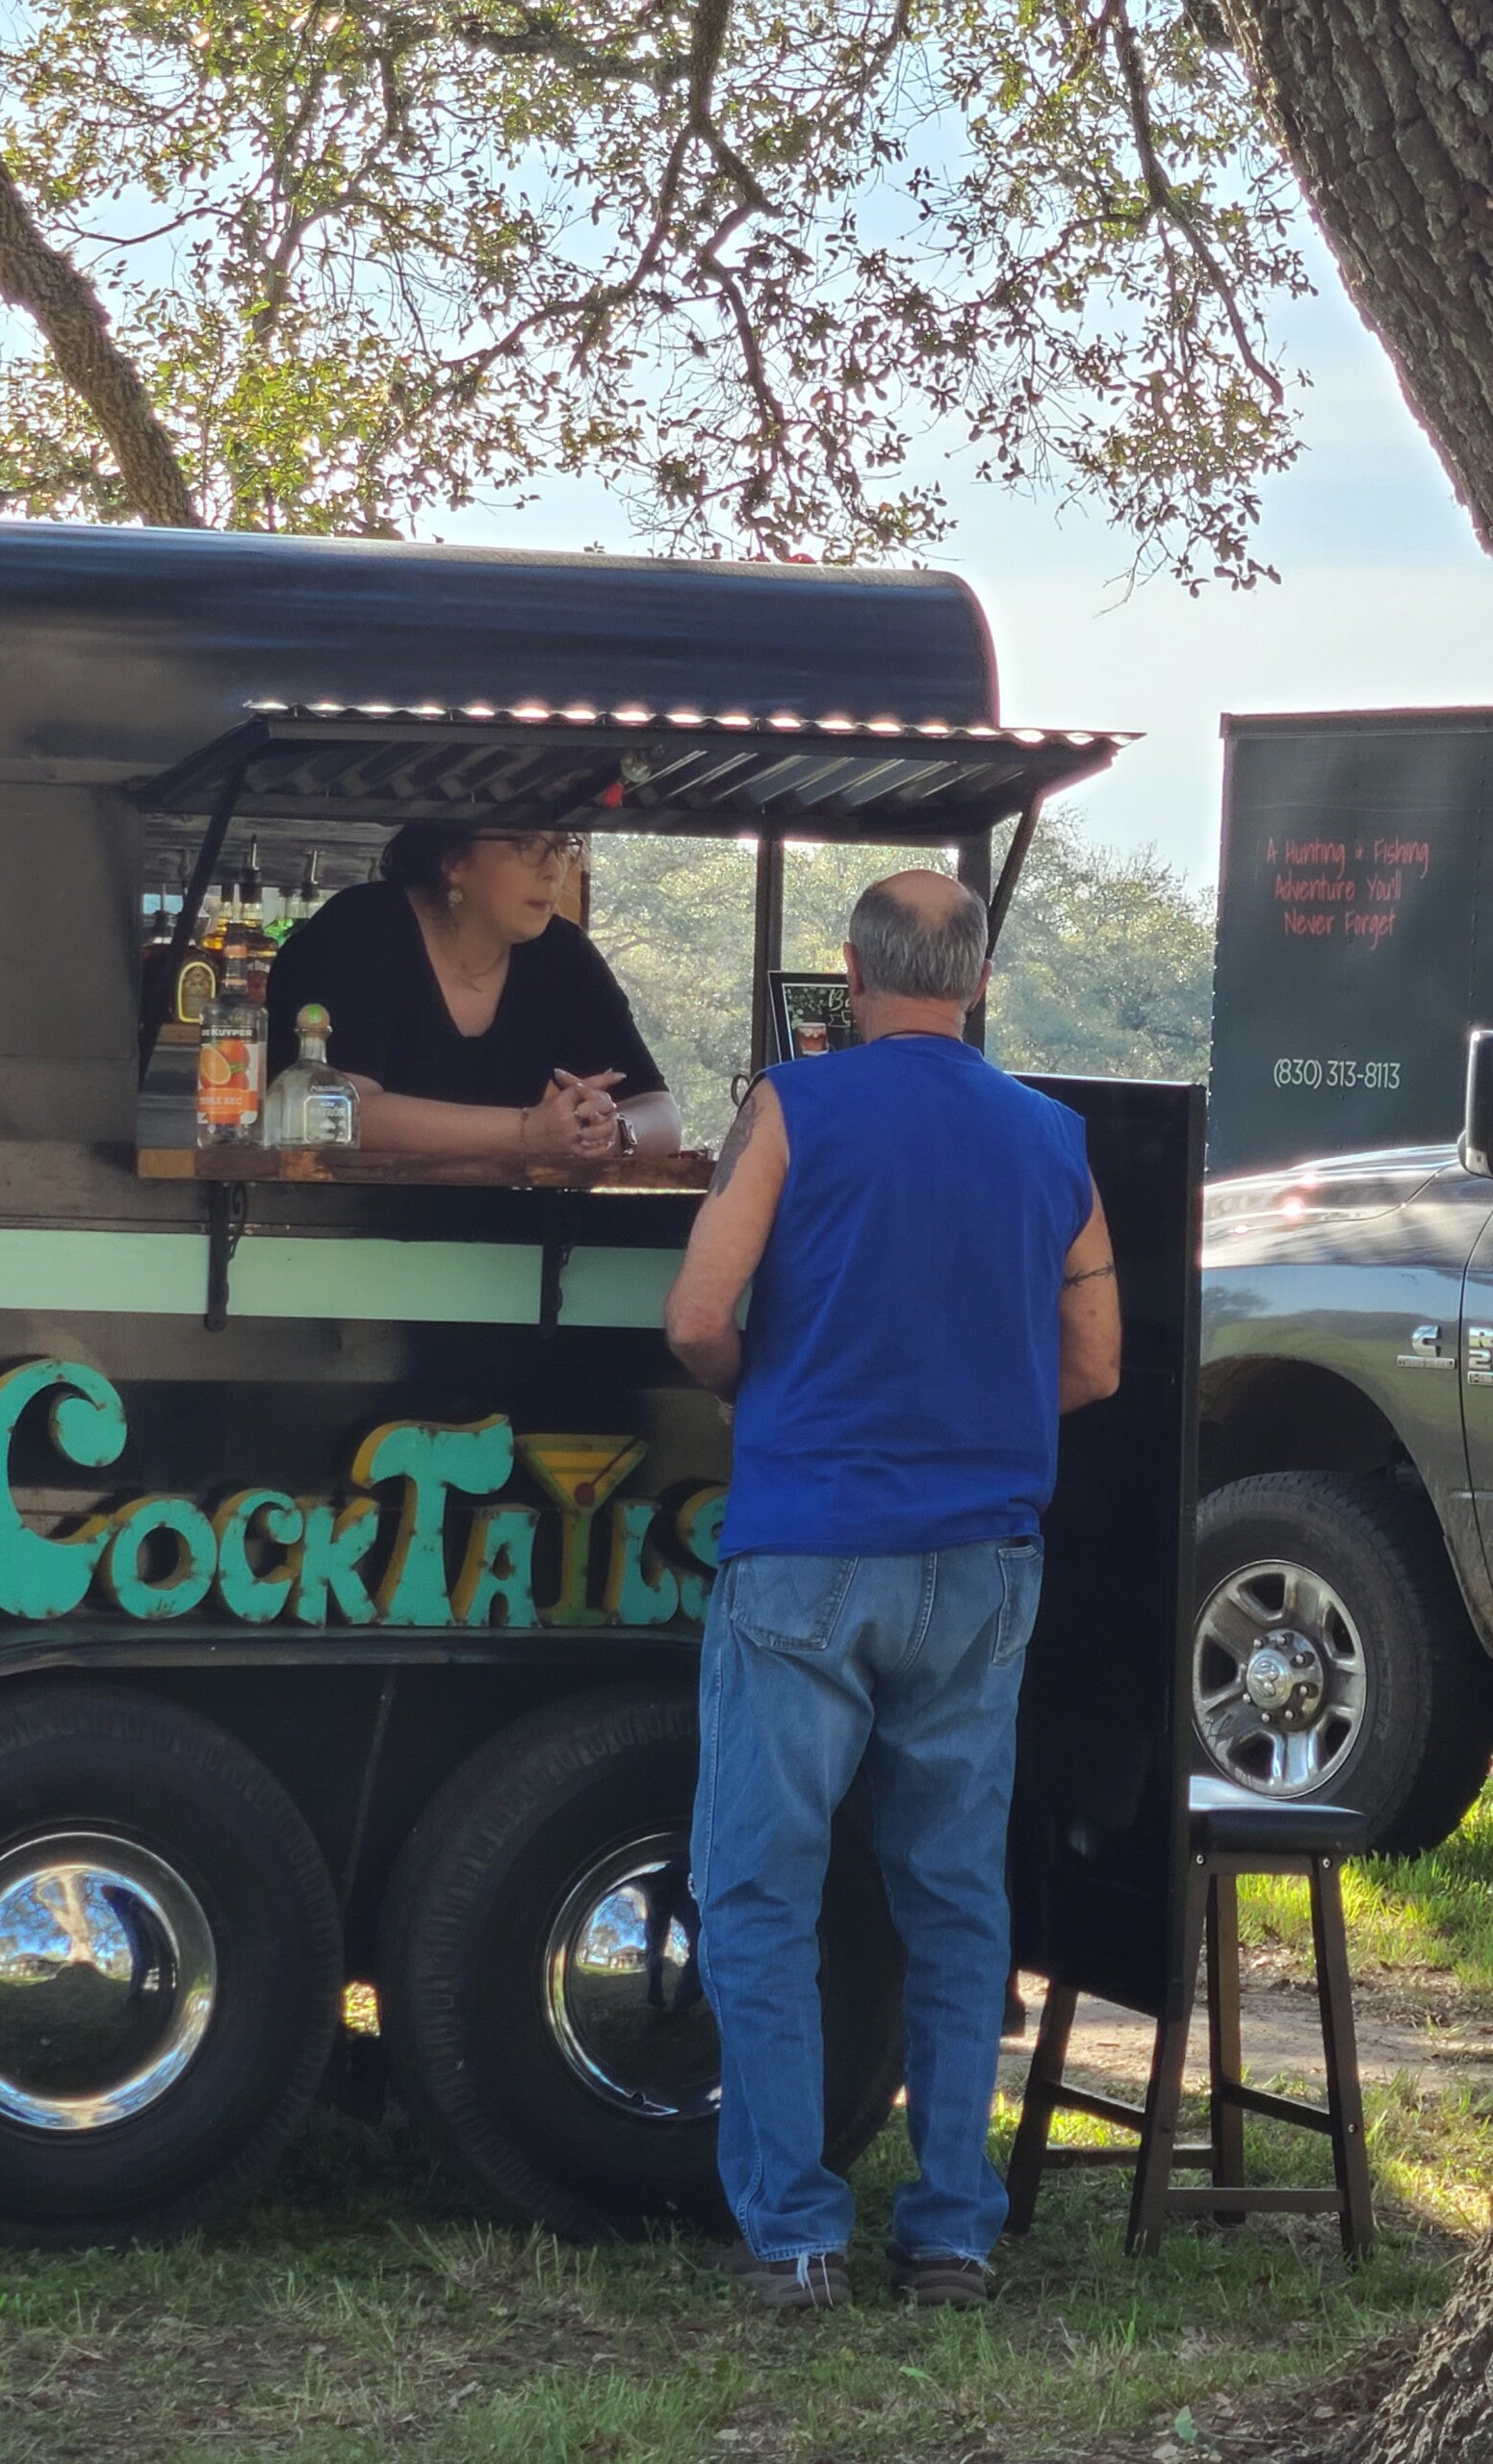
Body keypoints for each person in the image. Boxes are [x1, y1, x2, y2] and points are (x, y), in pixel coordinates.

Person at [664, 868, 1121, 2314]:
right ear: (977, 982)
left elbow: (697, 1316)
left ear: (852, 980)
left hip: (808, 1542)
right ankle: (952, 2234)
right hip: (982, 1562)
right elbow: (1098, 1362)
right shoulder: (1051, 1136)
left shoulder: (795, 1107)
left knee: (761, 1890)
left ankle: (796, 2234)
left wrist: (761, 1391)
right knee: (955, 1900)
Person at [263, 824, 682, 1165]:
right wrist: (528, 1132)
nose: (554, 870)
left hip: (500, 1230)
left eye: (561, 847)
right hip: (331, 1223)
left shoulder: (562, 954)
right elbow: (342, 1114)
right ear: (454, 861)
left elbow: (661, 1113)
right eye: (527, 844)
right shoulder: (364, 926)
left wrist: (610, 1132)